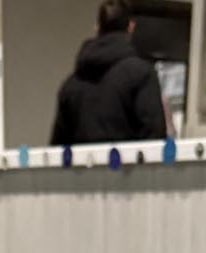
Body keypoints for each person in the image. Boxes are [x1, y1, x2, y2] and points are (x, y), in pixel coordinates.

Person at [51, 0, 167, 147]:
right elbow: (154, 139)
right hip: (127, 162)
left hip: (82, 162)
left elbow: (57, 149)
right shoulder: (142, 74)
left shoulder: (71, 85)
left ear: (97, 27)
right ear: (131, 27)